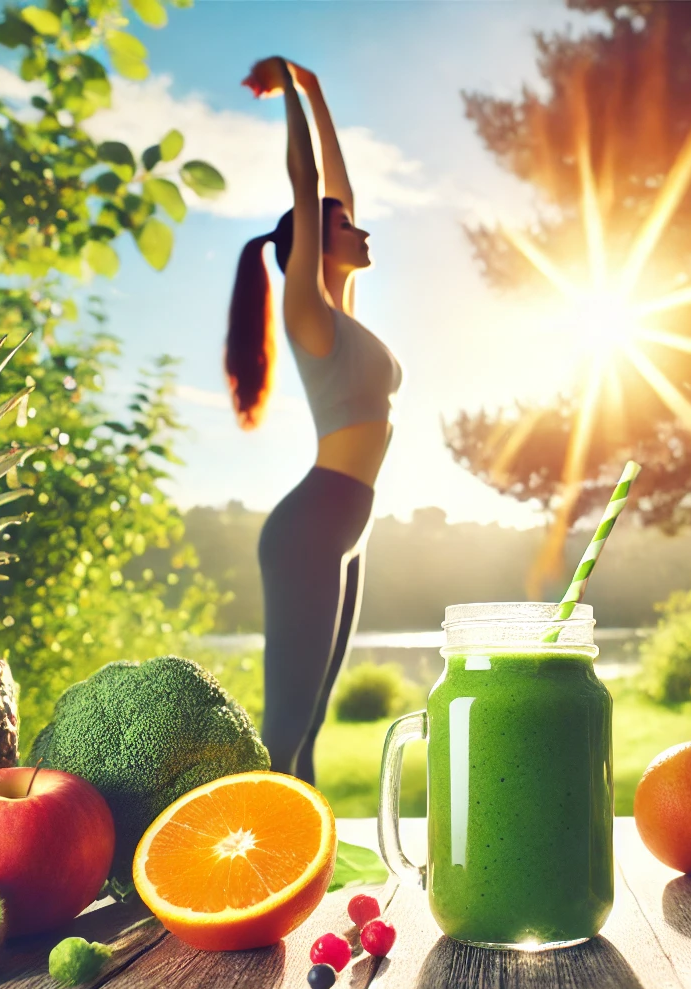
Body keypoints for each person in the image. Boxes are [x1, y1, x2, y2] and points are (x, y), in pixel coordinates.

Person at [227, 57, 402, 783]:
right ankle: (252, 867)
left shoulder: (342, 319)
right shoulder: (308, 315)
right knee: (285, 724)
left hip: (346, 525)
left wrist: (321, 88)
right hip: (313, 525)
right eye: (344, 226)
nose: (360, 229)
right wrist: (291, 96)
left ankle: (310, 860)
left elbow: (338, 186)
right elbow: (311, 184)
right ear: (312, 244)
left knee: (315, 721)